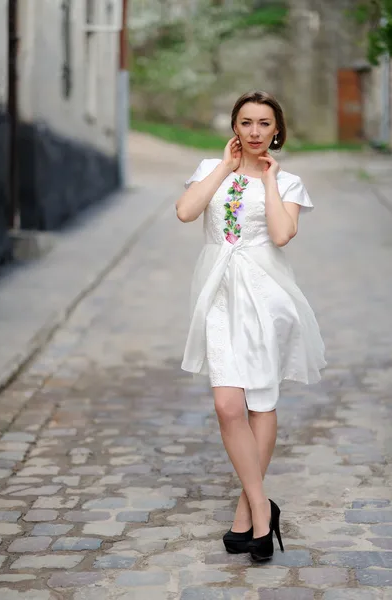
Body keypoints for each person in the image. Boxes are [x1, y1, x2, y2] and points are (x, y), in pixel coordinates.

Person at [176, 90, 326, 562]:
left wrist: (270, 181)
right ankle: (264, 506)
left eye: (265, 124)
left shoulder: (289, 181)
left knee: (260, 400)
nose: (255, 132)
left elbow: (282, 235)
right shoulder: (208, 169)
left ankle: (249, 515)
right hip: (219, 294)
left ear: (277, 130)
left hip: (266, 297)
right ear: (235, 128)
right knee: (227, 405)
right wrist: (224, 167)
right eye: (247, 123)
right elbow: (185, 212)